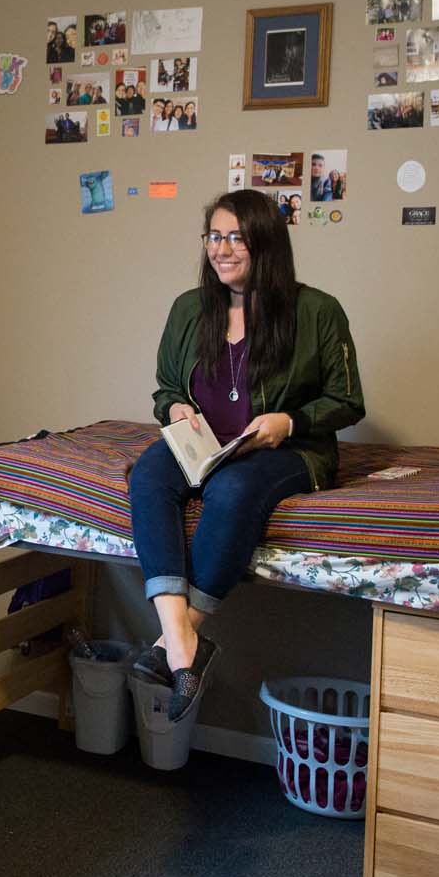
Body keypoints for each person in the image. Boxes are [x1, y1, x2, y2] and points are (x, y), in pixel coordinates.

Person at [127, 192, 364, 717]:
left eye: (236, 237)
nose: (222, 249)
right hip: (204, 444)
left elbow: (348, 401)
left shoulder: (317, 310)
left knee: (232, 490)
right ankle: (183, 641)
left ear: (266, 243)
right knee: (147, 475)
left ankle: (176, 643)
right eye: (214, 236)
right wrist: (175, 412)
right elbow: (166, 388)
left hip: (286, 452)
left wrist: (290, 422)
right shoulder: (189, 309)